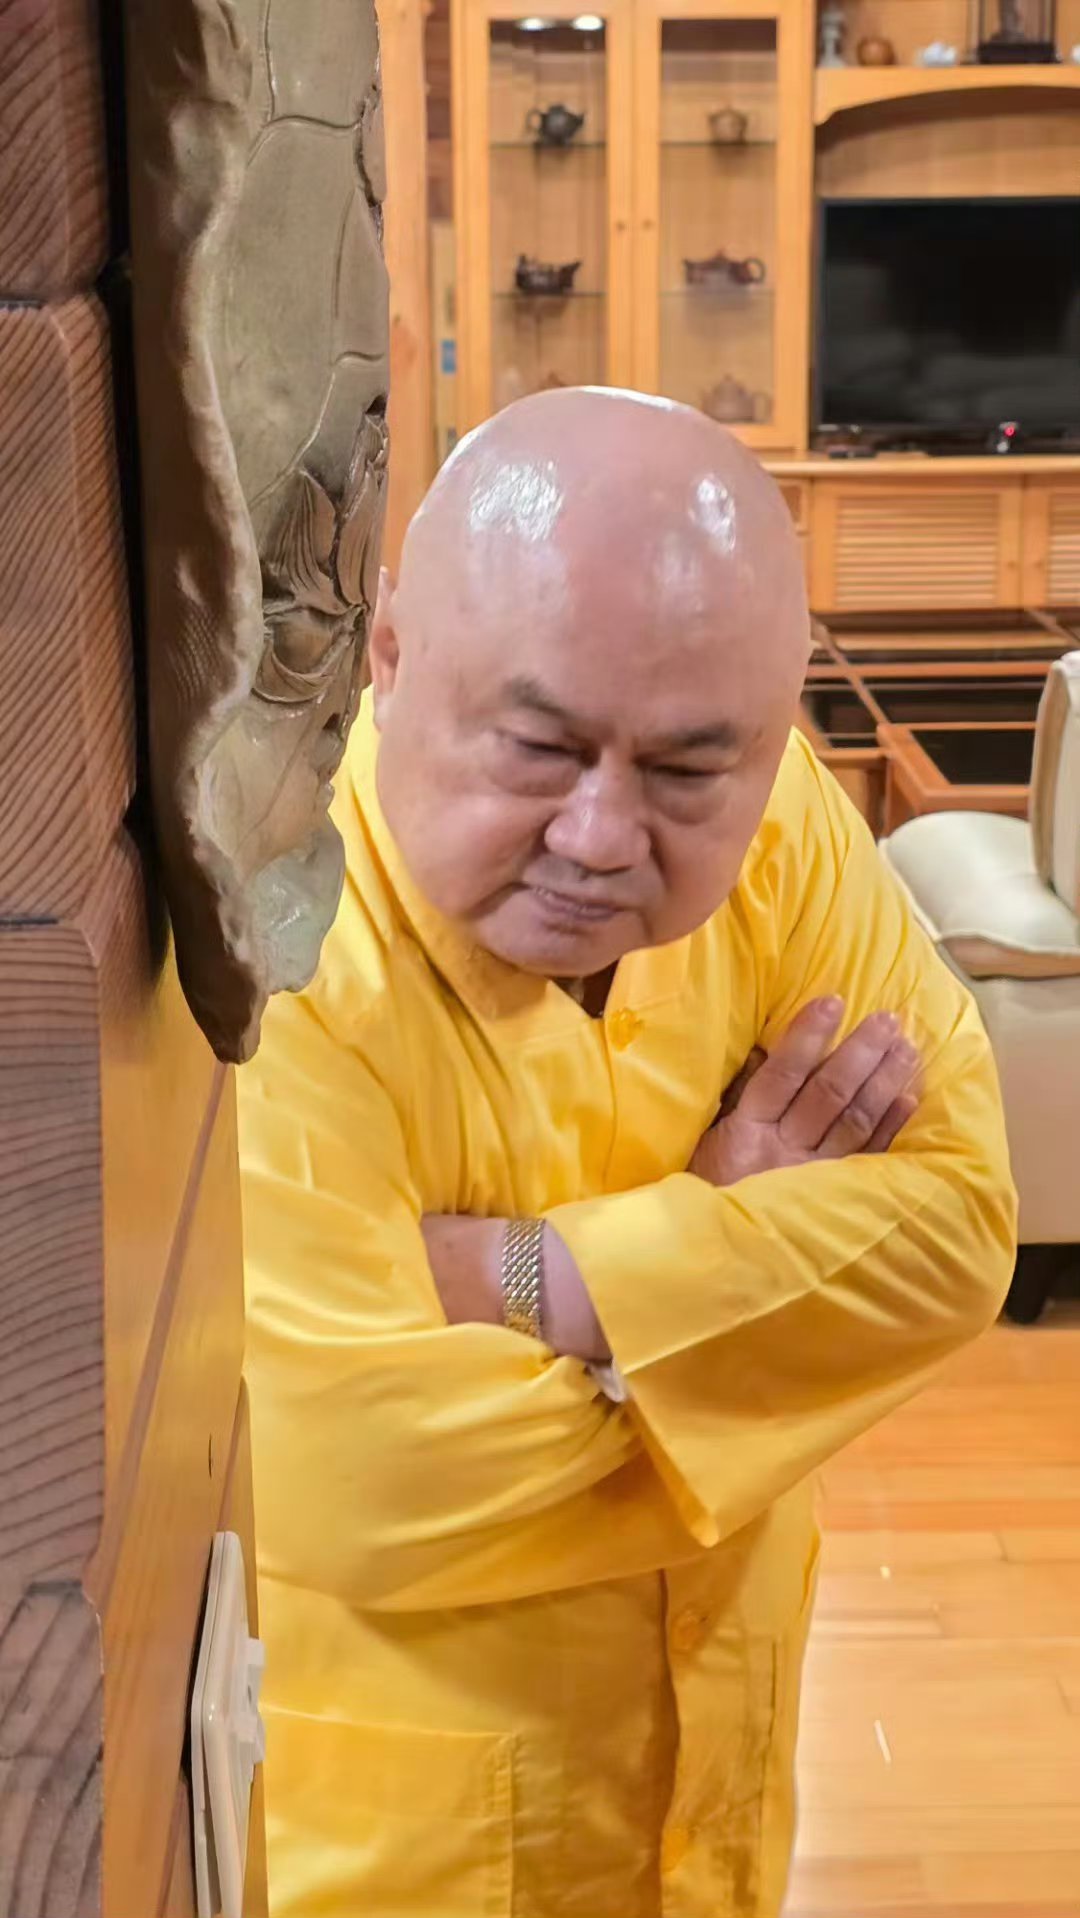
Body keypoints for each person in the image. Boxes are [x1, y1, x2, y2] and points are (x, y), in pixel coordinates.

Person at [238, 388, 1016, 1918]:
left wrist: (546, 1279)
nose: (601, 833)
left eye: (682, 775)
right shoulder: (276, 941)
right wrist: (750, 1295)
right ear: (388, 654)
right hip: (408, 1849)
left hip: (718, 1793)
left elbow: (959, 1227)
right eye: (538, 747)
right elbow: (353, 1476)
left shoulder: (782, 821)